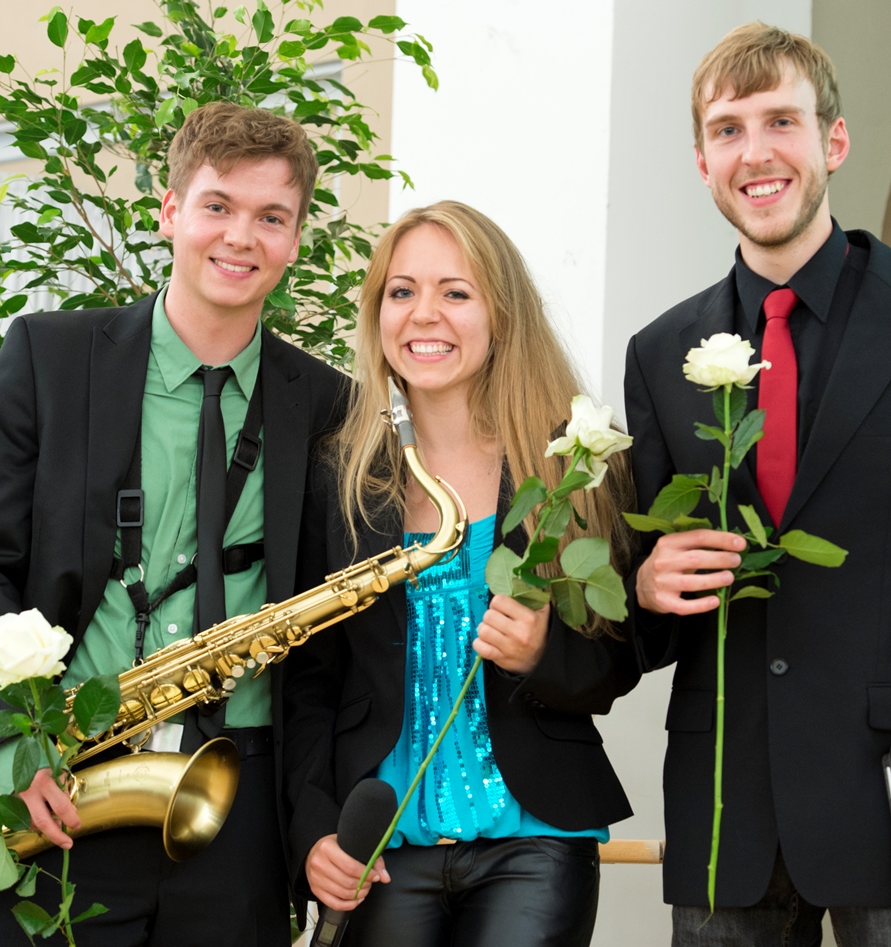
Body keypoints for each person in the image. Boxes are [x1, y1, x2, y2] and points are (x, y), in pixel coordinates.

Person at [624, 22, 891, 945]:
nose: (755, 152)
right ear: (703, 163)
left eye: (780, 121)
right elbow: (653, 613)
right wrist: (646, 585)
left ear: (834, 140)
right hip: (727, 813)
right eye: (728, 130)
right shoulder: (659, 353)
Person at [0, 101, 346, 946]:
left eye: (272, 217)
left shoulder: (330, 403)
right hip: (67, 785)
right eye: (218, 205)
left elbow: (324, 655)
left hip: (242, 809)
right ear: (170, 210)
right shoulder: (49, 357)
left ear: (296, 238)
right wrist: (14, 753)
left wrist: (314, 818)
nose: (241, 237)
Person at [281, 201, 639, 946]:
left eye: (455, 292)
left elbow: (623, 652)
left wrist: (541, 653)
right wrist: (313, 830)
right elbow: (310, 678)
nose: (424, 314)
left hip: (535, 841)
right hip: (381, 851)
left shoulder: (572, 459)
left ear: (501, 315)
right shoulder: (338, 477)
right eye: (401, 291)